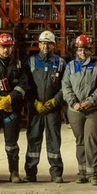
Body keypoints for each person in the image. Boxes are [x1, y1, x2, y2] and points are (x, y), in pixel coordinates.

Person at [0, 31, 29, 183]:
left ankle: (14, 173)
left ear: (12, 48)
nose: (6, 50)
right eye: (3, 47)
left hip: (11, 111)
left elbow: (23, 85)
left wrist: (10, 98)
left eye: (8, 47)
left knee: (12, 144)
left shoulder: (19, 65)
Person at [61, 33, 97, 185]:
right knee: (80, 141)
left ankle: (93, 174)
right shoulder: (70, 67)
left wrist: (90, 101)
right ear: (76, 50)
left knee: (91, 140)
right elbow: (66, 86)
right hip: (75, 111)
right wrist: (73, 102)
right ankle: (82, 172)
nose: (82, 53)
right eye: (80, 50)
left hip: (94, 110)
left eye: (85, 49)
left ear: (90, 49)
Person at [25, 30, 65, 183]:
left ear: (53, 45)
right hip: (35, 108)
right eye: (43, 43)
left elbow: (65, 86)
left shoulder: (60, 63)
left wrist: (55, 101)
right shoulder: (31, 62)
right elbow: (26, 85)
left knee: (53, 140)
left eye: (49, 43)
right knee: (33, 139)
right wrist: (34, 102)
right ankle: (30, 172)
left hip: (53, 108)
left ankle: (56, 173)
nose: (45, 46)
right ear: (39, 44)